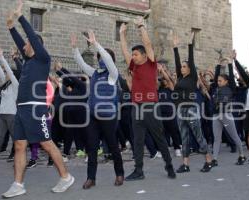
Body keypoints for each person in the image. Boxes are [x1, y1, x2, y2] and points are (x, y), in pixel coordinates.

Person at [2, 0, 74, 198]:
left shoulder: (43, 59)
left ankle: (65, 177)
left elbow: (31, 37)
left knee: (46, 144)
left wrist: (21, 16)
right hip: (22, 109)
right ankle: (18, 184)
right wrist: (10, 26)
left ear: (34, 45)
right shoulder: (28, 61)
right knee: (19, 145)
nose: (23, 46)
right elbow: (20, 41)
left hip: (36, 109)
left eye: (27, 43)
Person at [120, 17, 176, 181]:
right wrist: (122, 34)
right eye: (133, 54)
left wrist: (141, 27)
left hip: (150, 106)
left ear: (144, 55)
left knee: (159, 138)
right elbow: (124, 51)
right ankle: (139, 171)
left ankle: (169, 165)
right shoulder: (134, 66)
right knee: (138, 140)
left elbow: (149, 45)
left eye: (136, 54)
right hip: (136, 107)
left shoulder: (151, 64)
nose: (133, 57)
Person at [71, 30, 124, 189]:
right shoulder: (94, 73)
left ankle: (119, 174)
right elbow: (81, 64)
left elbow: (107, 59)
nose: (100, 59)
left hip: (108, 116)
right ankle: (91, 178)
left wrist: (96, 45)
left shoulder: (113, 74)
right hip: (93, 116)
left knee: (113, 146)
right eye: (98, 57)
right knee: (92, 147)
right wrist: (74, 49)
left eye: (102, 58)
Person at [171, 31, 212, 173]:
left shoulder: (192, 76)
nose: (181, 68)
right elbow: (176, 63)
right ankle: (186, 164)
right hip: (180, 110)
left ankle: (208, 160)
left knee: (198, 136)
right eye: (181, 67)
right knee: (184, 137)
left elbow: (191, 59)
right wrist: (175, 47)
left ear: (189, 68)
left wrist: (189, 44)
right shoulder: (181, 78)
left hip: (191, 109)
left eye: (184, 66)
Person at [211, 57, 246, 166]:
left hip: (226, 115)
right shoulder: (216, 88)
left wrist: (230, 64)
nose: (218, 82)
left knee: (234, 136)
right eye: (217, 81)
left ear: (226, 81)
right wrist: (218, 65)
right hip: (216, 115)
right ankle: (214, 159)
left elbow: (231, 76)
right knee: (216, 139)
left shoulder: (231, 87)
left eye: (220, 81)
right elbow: (216, 76)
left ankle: (242, 155)